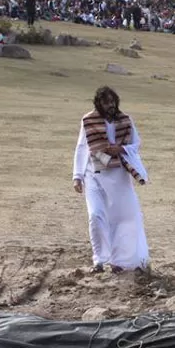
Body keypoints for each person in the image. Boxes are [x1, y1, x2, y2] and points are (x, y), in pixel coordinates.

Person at [72, 86, 150, 274]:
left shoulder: (125, 120)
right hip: (93, 175)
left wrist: (121, 149)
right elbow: (82, 148)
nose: (111, 106)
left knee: (121, 219)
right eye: (106, 102)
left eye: (113, 102)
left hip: (118, 175)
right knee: (96, 215)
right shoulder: (88, 120)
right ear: (98, 103)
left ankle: (119, 261)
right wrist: (77, 176)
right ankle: (99, 260)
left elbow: (135, 144)